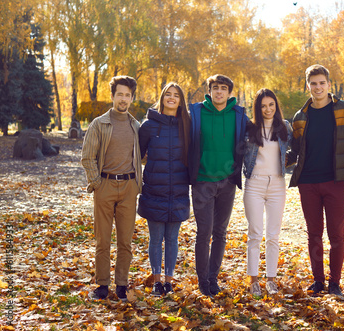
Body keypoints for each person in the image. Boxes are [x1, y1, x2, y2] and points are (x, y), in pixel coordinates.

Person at [287, 64, 344, 297]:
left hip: (336, 181)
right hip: (308, 183)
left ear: (329, 84)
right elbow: (296, 149)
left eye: (322, 83)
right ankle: (318, 281)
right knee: (313, 233)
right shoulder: (301, 116)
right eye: (313, 83)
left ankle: (335, 283)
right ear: (308, 86)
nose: (318, 87)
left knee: (337, 234)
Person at [81, 76, 142, 302]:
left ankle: (122, 285)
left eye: (127, 95)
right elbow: (87, 157)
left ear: (132, 98)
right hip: (104, 185)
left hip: (129, 187)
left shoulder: (136, 126)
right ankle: (102, 285)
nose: (123, 99)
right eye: (120, 94)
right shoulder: (99, 124)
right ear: (113, 96)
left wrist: (137, 183)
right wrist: (97, 182)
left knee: (125, 241)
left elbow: (142, 156)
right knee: (102, 239)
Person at [188, 74, 249, 296]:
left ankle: (214, 278)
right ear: (209, 91)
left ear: (230, 92)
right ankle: (202, 280)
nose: (219, 92)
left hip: (227, 182)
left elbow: (259, 131)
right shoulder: (196, 112)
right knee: (204, 233)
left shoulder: (239, 115)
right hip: (203, 180)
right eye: (215, 88)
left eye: (223, 88)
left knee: (221, 232)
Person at [137, 82, 191, 297]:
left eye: (176, 95)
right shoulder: (149, 126)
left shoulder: (186, 124)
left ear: (180, 100)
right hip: (154, 189)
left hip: (178, 189)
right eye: (168, 94)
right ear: (162, 98)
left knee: (172, 238)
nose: (171, 98)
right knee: (155, 237)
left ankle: (169, 280)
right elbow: (138, 155)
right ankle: (156, 280)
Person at [243, 88, 292, 297]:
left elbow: (294, 151)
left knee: (273, 235)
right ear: (258, 108)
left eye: (271, 105)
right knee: (255, 233)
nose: (268, 109)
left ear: (276, 106)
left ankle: (271, 279)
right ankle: (253, 280)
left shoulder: (285, 128)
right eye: (263, 106)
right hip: (254, 183)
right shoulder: (250, 129)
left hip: (277, 185)